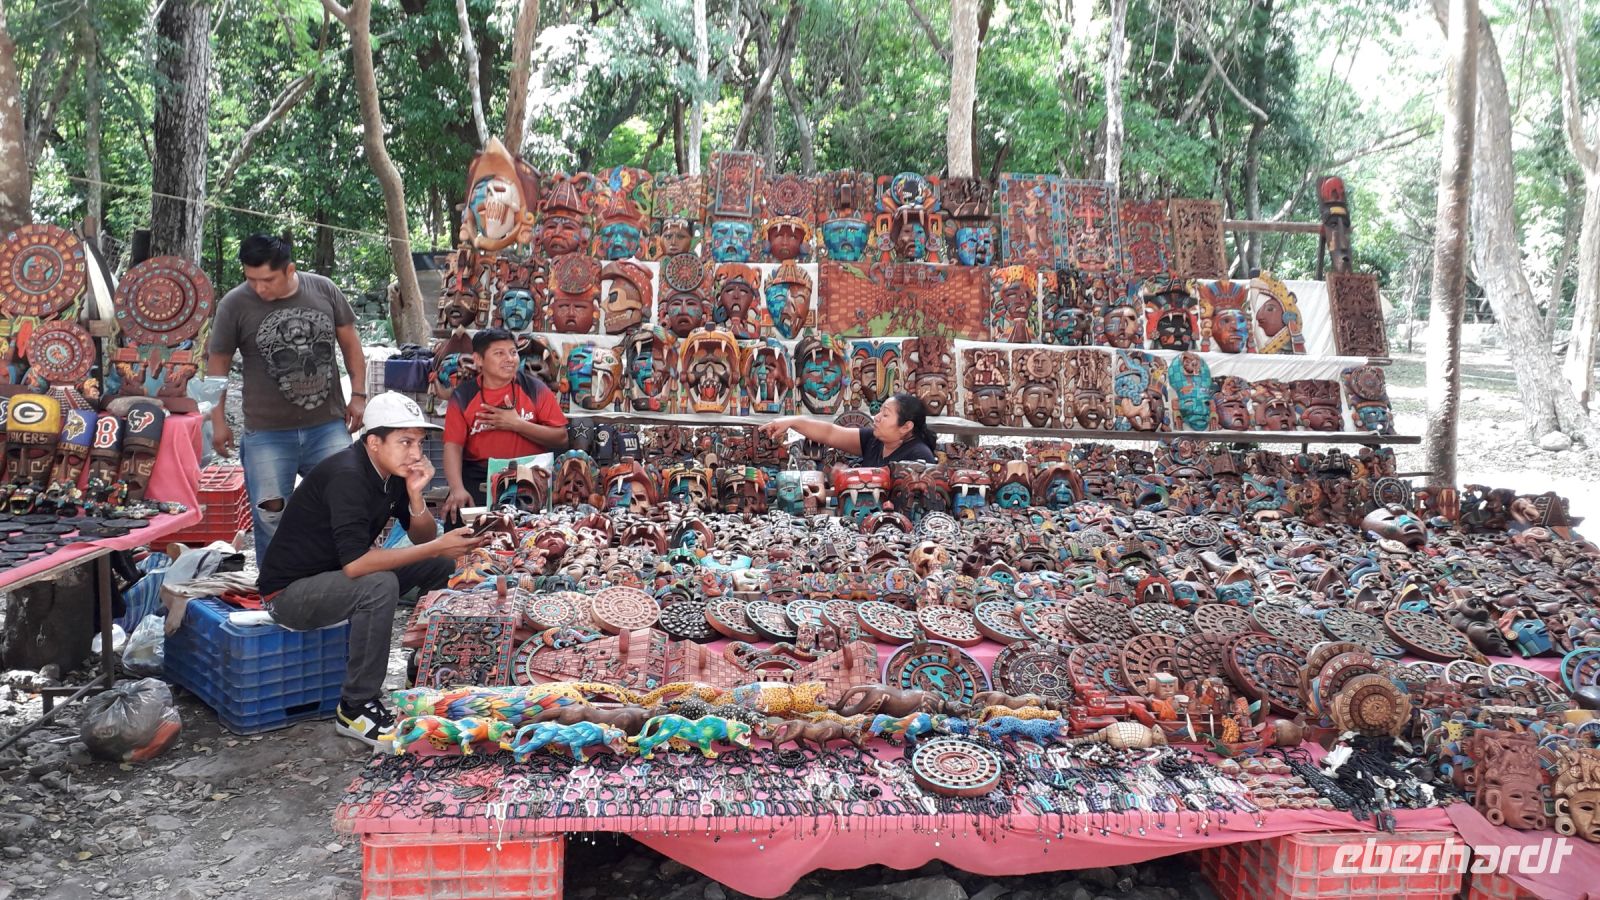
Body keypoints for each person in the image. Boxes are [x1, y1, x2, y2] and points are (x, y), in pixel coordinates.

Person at [256, 392, 488, 748]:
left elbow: (421, 534)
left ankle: (426, 662)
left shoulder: (391, 472)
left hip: (332, 579)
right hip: (288, 594)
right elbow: (357, 566)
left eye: (419, 442)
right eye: (405, 441)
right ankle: (355, 706)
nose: (415, 452)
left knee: (438, 565)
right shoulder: (347, 475)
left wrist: (414, 495)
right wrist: (438, 543)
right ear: (374, 442)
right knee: (378, 585)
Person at [207, 234, 368, 564]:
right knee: (270, 517)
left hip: (327, 426)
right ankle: (277, 591)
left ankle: (341, 581)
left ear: (289, 269)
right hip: (266, 433)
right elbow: (216, 364)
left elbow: (351, 345)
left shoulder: (323, 290)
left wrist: (360, 395)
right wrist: (217, 419)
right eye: (250, 279)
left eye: (266, 280)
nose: (258, 288)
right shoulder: (234, 304)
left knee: (343, 503)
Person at [441, 327, 569, 523]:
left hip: (530, 476)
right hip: (480, 477)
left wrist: (516, 424)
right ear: (478, 359)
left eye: (513, 352)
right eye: (499, 353)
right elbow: (453, 446)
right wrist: (457, 489)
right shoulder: (463, 396)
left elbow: (561, 437)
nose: (510, 359)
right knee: (464, 530)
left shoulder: (535, 389)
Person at [759, 393, 938, 466]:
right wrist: (792, 421)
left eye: (885, 414)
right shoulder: (875, 440)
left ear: (906, 427)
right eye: (879, 412)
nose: (876, 417)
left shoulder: (919, 456)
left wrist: (853, 477)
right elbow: (830, 433)